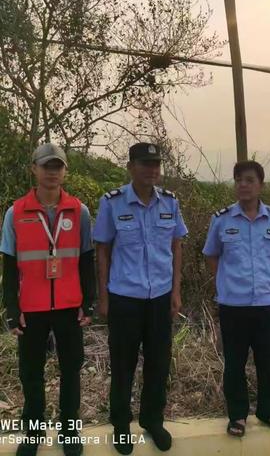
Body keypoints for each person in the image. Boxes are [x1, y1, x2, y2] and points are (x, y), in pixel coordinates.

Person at [0, 143, 96, 456]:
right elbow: (9, 265)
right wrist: (12, 309)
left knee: (71, 370)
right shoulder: (15, 212)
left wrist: (89, 300)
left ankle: (70, 431)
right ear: (34, 169)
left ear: (65, 171)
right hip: (32, 308)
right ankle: (33, 432)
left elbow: (86, 259)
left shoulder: (79, 211)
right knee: (31, 372)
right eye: (46, 166)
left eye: (58, 166)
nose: (52, 172)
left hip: (69, 306)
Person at [93, 142, 187, 455]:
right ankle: (121, 425)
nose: (152, 169)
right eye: (145, 164)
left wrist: (175, 291)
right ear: (131, 167)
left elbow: (176, 247)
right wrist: (103, 296)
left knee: (159, 364)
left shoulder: (170, 202)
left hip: (160, 297)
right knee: (123, 365)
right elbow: (103, 250)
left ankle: (152, 419)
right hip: (124, 298)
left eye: (156, 164)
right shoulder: (112, 202)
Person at [202, 160, 270, 437]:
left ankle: (268, 411)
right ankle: (238, 416)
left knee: (267, 363)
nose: (243, 185)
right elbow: (211, 255)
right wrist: (226, 281)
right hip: (234, 306)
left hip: (267, 304)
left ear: (261, 185)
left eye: (250, 180)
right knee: (234, 364)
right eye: (239, 180)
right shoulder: (221, 220)